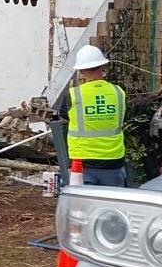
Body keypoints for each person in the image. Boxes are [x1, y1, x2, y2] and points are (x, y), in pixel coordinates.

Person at [53, 44, 128, 188]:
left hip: (82, 163)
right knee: (112, 206)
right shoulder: (119, 92)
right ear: (102, 67)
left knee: (83, 207)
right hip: (113, 162)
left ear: (80, 71)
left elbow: (63, 116)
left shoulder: (73, 95)